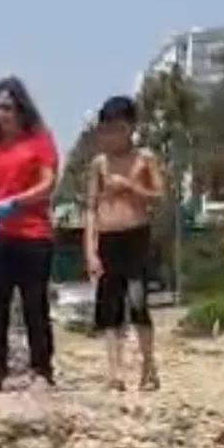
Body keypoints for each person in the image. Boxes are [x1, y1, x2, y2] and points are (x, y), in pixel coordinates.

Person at [0, 78, 59, 392]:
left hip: (33, 234)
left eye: (7, 107)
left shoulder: (40, 141)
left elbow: (48, 183)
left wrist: (16, 202)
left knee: (35, 303)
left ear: (21, 108)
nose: (2, 114)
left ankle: (42, 369)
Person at [84, 96, 164, 393]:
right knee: (109, 306)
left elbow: (159, 196)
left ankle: (148, 364)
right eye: (106, 130)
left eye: (118, 129)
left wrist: (131, 186)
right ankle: (114, 373)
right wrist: (90, 250)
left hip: (136, 233)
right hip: (108, 236)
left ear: (130, 127)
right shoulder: (99, 164)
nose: (111, 136)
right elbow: (91, 207)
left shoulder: (145, 158)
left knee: (138, 301)